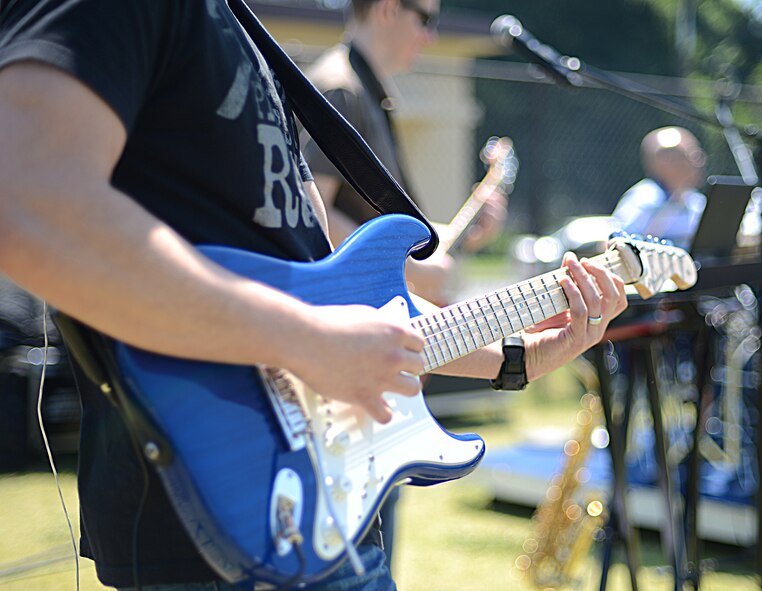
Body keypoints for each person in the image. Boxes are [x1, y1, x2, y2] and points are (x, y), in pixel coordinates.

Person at [0, 1, 626, 591]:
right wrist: (303, 338)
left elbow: (340, 301)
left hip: (322, 521)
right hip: (212, 531)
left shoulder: (238, 30)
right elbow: (30, 204)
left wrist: (514, 354)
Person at [302, 0, 507, 304]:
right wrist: (408, 269)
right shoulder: (341, 90)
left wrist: (463, 236)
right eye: (425, 20)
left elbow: (368, 220)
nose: (430, 36)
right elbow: (315, 213)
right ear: (388, 9)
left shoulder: (361, 89)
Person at [611, 126, 707, 250]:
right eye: (693, 155)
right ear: (666, 161)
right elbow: (618, 242)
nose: (700, 162)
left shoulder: (695, 201)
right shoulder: (644, 198)